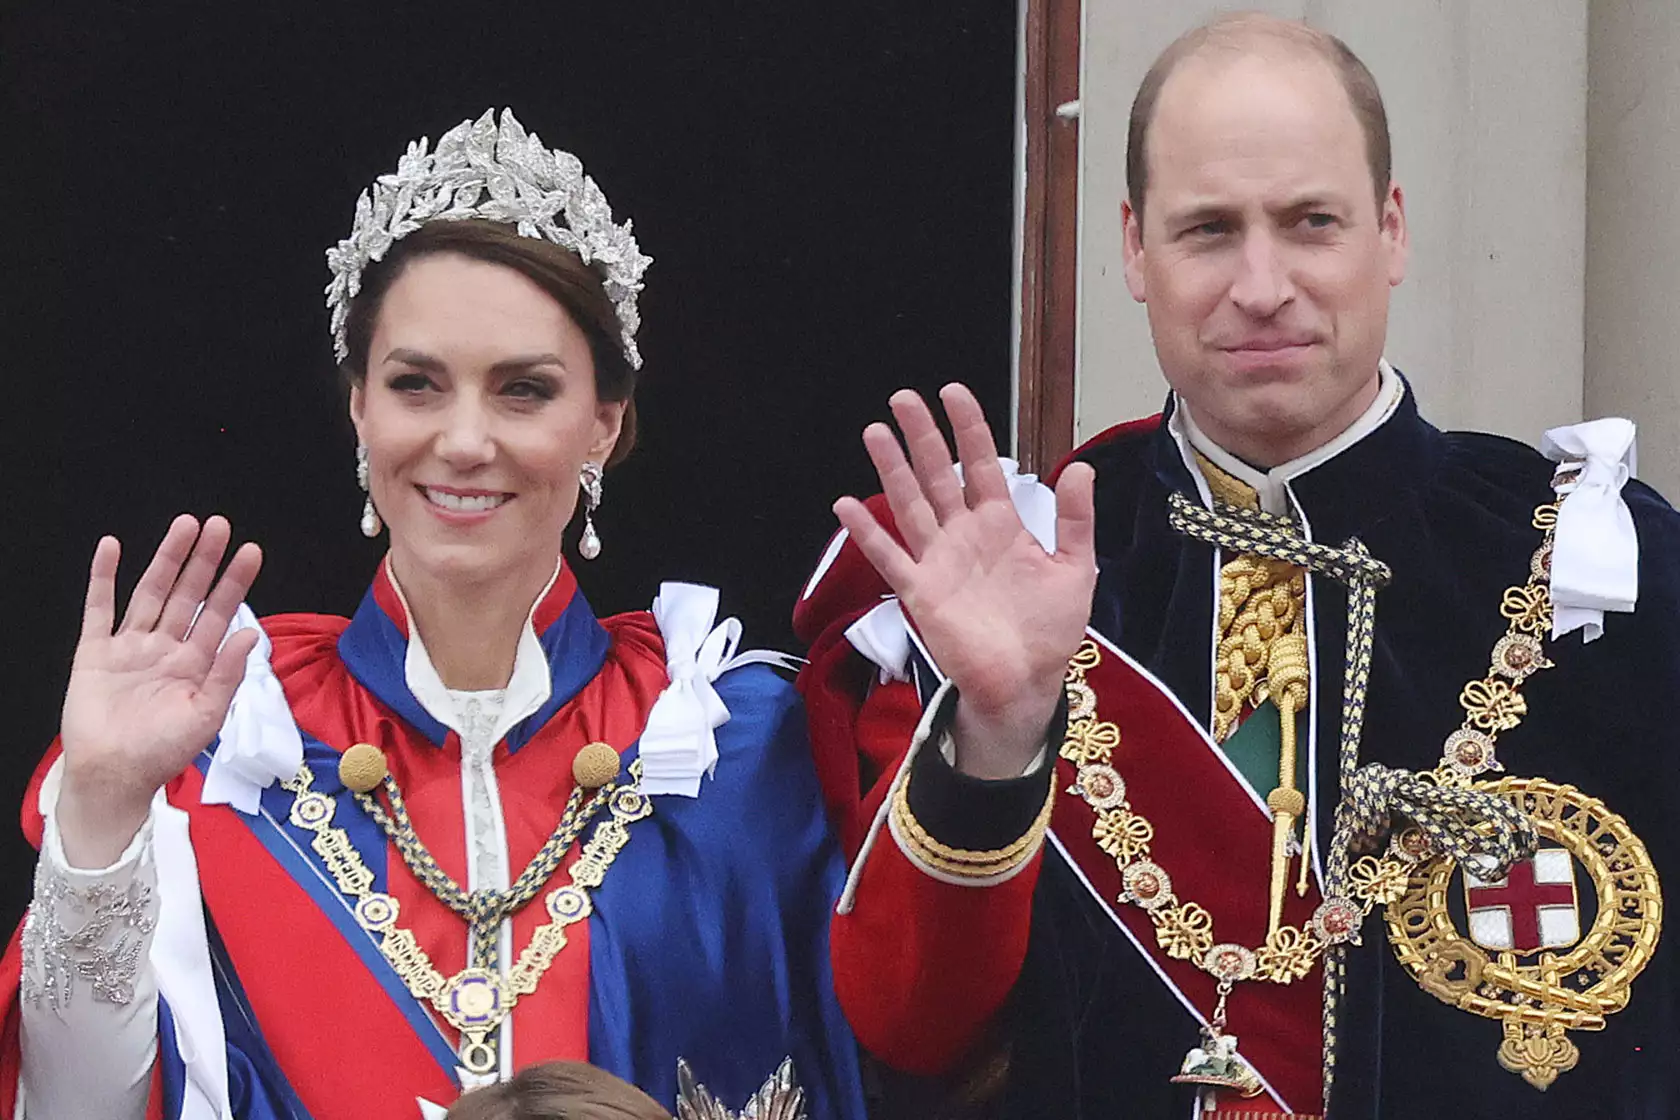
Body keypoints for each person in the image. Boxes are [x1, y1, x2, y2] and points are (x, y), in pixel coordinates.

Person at [797, 14, 1677, 1119]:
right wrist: (999, 735)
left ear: (1391, 230)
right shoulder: (1010, 573)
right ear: (1133, 248)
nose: (1262, 285)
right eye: (1208, 229)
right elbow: (911, 1034)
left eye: (1311, 222)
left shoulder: (1611, 578)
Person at [0, 109, 865, 1120]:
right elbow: (75, 1107)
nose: (463, 440)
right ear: (361, 407)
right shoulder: (223, 749)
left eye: (522, 391)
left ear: (605, 421)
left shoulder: (737, 750)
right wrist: (103, 804)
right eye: (417, 384)